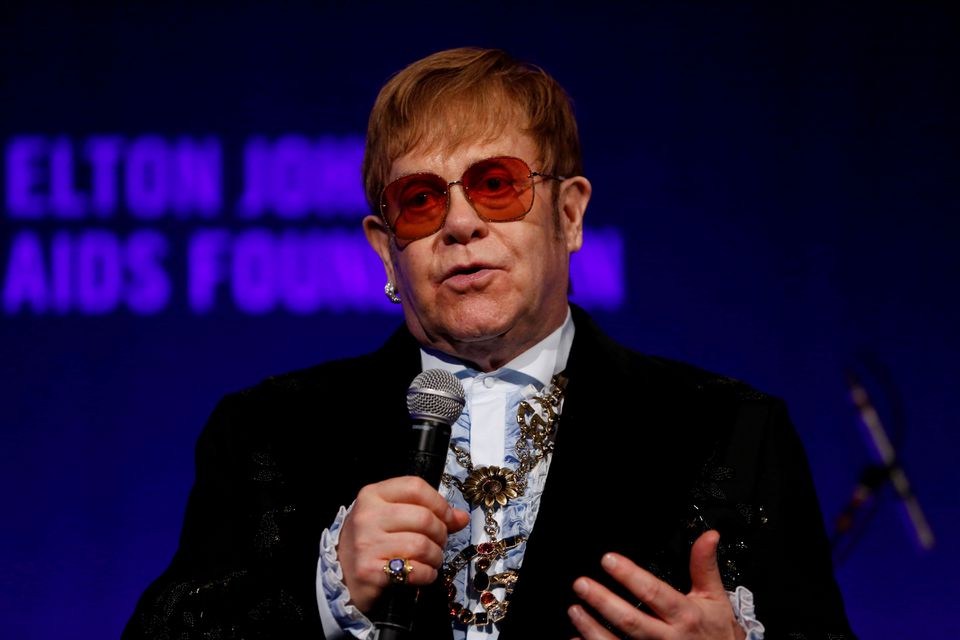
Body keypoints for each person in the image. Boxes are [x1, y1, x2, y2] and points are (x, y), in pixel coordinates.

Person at [124, 47, 855, 640]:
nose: (461, 224)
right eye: (421, 200)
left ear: (568, 214)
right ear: (387, 251)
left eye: (497, 185)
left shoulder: (730, 429)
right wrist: (326, 594)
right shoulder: (269, 434)